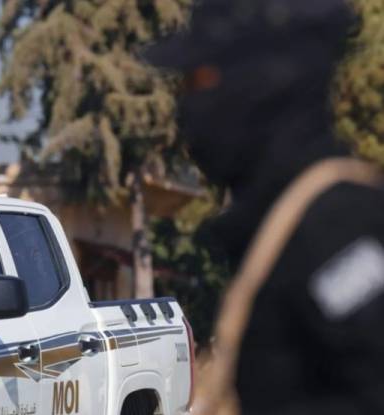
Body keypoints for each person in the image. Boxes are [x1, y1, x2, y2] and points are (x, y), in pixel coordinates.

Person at [146, 0, 384, 414]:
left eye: (200, 81)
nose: (185, 106)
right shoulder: (280, 226)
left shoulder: (337, 228)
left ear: (259, 83)